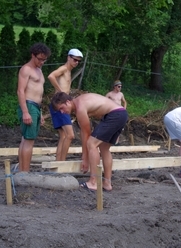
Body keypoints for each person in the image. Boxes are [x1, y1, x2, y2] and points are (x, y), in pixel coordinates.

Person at [51, 92, 128, 191]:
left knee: (92, 143)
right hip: (121, 113)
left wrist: (85, 158)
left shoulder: (80, 107)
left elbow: (87, 133)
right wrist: (85, 156)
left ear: (67, 102)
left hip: (114, 115)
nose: (62, 112)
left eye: (61, 108)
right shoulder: (80, 102)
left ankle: (93, 182)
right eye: (59, 111)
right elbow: (84, 132)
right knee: (104, 148)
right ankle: (107, 183)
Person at [17, 43, 51, 172]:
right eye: (40, 59)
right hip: (29, 105)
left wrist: (40, 112)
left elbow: (38, 92)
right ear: (33, 55)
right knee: (28, 141)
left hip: (35, 107)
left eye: (44, 59)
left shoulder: (39, 70)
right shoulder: (26, 69)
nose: (42, 62)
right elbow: (20, 91)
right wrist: (26, 112)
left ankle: (22, 172)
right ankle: (25, 173)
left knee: (25, 140)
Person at [48, 48, 83, 161]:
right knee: (70, 135)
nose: (76, 62)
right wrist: (60, 91)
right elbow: (51, 76)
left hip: (61, 105)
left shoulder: (68, 71)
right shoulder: (63, 69)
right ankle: (62, 163)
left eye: (78, 61)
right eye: (74, 60)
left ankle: (58, 162)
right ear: (68, 57)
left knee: (63, 136)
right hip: (60, 105)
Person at [105, 80, 127, 145]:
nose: (120, 88)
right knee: (111, 126)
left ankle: (116, 142)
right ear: (115, 87)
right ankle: (109, 140)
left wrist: (124, 109)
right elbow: (103, 101)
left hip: (120, 112)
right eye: (119, 86)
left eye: (121, 87)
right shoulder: (109, 94)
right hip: (112, 112)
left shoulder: (121, 94)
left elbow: (124, 101)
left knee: (119, 127)